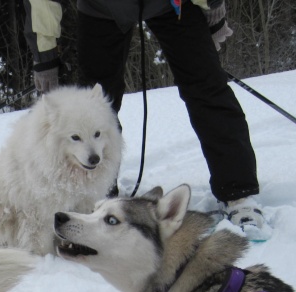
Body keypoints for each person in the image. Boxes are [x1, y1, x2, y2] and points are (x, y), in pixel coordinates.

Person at [22, 0, 269, 239]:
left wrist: (212, 7)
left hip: (174, 5)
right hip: (101, 7)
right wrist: (45, 57)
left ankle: (239, 194)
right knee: (92, 105)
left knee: (209, 89)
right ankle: (98, 200)